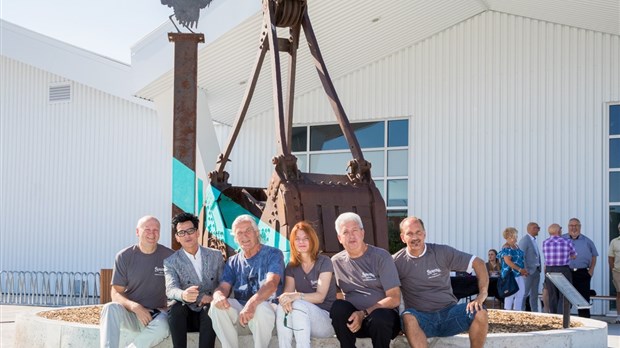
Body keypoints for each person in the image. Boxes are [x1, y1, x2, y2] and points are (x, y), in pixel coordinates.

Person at [394, 217, 488, 348]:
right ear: (402, 237)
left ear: (424, 234)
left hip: (450, 314)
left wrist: (482, 295)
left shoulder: (442, 252)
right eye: (410, 233)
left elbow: (478, 263)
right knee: (408, 317)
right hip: (421, 319)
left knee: (480, 312)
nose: (415, 237)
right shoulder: (396, 262)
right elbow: (385, 290)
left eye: (418, 232)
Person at [208, 214, 285, 348]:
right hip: (242, 313)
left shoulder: (273, 254)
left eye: (248, 231)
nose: (244, 236)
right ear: (235, 239)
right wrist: (218, 295)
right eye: (239, 233)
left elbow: (272, 284)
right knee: (216, 306)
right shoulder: (233, 261)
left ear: (257, 233)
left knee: (260, 307)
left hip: (267, 310)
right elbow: (224, 287)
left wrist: (252, 303)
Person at [100, 216, 174, 348]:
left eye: (156, 230)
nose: (152, 233)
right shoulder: (124, 256)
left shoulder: (170, 256)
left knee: (165, 325)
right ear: (137, 232)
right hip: (131, 313)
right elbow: (116, 292)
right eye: (147, 229)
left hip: (157, 316)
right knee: (109, 308)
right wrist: (135, 307)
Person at [330, 212, 401, 348]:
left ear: (362, 233)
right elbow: (338, 295)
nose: (351, 236)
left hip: (383, 321)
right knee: (338, 307)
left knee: (380, 317)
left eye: (355, 230)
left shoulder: (381, 257)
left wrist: (364, 313)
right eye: (345, 232)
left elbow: (394, 298)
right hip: (355, 324)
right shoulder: (336, 262)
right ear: (339, 238)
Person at [164, 212, 224, 348]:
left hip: (208, 312)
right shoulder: (171, 262)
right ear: (177, 238)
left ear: (197, 232)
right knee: (175, 307)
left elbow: (224, 283)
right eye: (181, 232)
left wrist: (213, 296)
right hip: (185, 316)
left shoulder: (215, 255)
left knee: (210, 308)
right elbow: (170, 289)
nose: (187, 235)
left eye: (190, 231)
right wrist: (183, 294)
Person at [275, 221, 337, 348]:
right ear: (292, 242)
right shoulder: (292, 266)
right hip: (302, 317)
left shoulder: (324, 262)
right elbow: (288, 295)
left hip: (326, 319)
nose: (301, 242)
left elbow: (320, 297)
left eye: (305, 238)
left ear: (312, 240)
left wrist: (296, 296)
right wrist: (286, 298)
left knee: (297, 304)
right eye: (297, 239)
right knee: (283, 305)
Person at [563, 217, 598, 318]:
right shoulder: (562, 239)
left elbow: (594, 256)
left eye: (576, 225)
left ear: (580, 227)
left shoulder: (587, 241)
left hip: (582, 273)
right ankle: (564, 321)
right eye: (571, 225)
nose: (573, 228)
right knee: (565, 298)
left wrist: (591, 270)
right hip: (566, 272)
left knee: (583, 299)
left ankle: (585, 322)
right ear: (568, 227)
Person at [542, 223, 576, 314]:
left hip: (549, 269)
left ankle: (554, 315)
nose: (561, 230)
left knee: (552, 294)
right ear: (558, 231)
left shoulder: (545, 242)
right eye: (560, 228)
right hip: (563, 269)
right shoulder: (567, 241)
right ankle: (562, 315)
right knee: (564, 294)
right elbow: (574, 255)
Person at [498, 227, 528, 311]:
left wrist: (522, 270)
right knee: (510, 294)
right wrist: (520, 269)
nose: (516, 237)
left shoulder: (516, 246)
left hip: (518, 273)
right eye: (515, 236)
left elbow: (520, 260)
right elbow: (508, 261)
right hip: (510, 274)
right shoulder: (506, 247)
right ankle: (507, 312)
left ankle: (517, 311)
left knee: (520, 293)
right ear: (509, 237)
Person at [520, 222, 541, 312]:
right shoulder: (525, 240)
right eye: (536, 228)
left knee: (534, 294)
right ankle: (521, 311)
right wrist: (524, 270)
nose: (538, 230)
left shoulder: (533, 240)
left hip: (536, 271)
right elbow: (521, 256)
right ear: (530, 229)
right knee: (524, 294)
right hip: (528, 272)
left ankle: (535, 312)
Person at [608, 222, 620, 324]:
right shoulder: (614, 242)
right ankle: (619, 316)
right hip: (618, 272)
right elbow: (610, 258)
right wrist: (613, 269)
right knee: (619, 294)